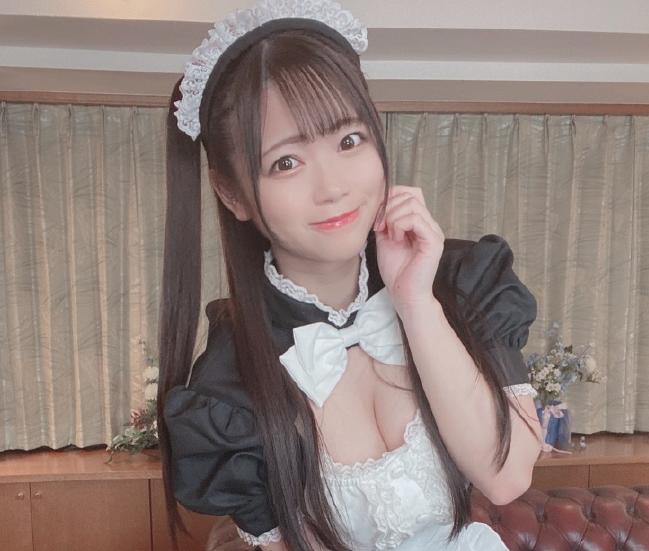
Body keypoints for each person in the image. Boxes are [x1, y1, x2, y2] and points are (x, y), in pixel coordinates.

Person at [158, 1, 543, 550]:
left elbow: (505, 477)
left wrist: (417, 303)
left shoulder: (460, 281)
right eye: (286, 162)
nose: (333, 186)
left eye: (348, 141)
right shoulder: (230, 388)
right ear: (232, 193)